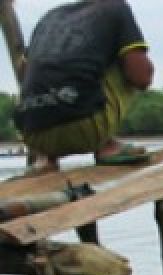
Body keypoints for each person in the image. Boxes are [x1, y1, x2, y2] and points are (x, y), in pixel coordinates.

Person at [14, 0, 155, 173]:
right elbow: (141, 78)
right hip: (88, 129)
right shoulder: (116, 7)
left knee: (45, 73)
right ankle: (107, 147)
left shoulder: (50, 17)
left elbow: (24, 70)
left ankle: (46, 157)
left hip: (33, 134)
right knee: (130, 63)